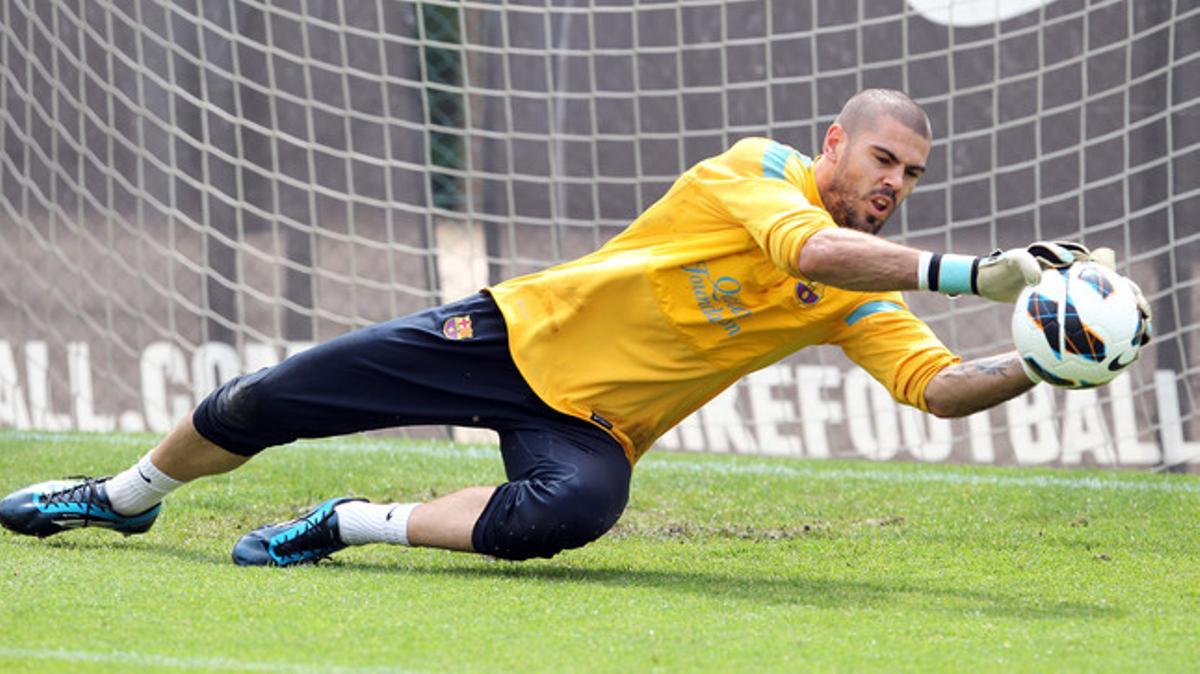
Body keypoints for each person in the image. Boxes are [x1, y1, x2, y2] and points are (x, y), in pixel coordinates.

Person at [0, 89, 1151, 566]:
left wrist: (1040, 362)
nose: (896, 180)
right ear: (834, 146)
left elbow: (935, 386)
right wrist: (985, 270)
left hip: (592, 421)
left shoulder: (865, 288)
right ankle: (122, 495)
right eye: (883, 158)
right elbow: (808, 250)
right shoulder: (757, 171)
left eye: (913, 171)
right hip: (516, 336)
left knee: (579, 509)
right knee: (268, 398)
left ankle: (348, 519)